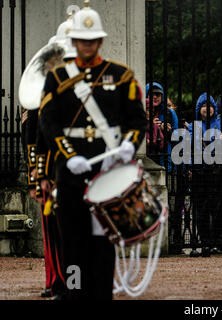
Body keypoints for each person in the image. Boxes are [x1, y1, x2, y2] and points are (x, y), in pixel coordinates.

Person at [38, 1, 146, 300]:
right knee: (72, 243)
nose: (87, 45)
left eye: (92, 40)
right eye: (82, 40)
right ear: (74, 41)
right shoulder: (57, 78)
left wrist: (128, 144)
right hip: (71, 177)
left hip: (106, 174)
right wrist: (67, 156)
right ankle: (73, 295)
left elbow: (137, 120)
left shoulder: (121, 75)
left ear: (100, 40)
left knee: (102, 243)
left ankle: (101, 295)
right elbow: (48, 124)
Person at [21, 9, 80, 299]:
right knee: (54, 232)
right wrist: (37, 178)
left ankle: (76, 282)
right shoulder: (43, 92)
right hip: (54, 173)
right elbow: (35, 138)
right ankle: (57, 280)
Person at [187, 93, 222, 257]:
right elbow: (192, 144)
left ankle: (217, 243)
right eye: (204, 106)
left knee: (217, 207)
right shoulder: (193, 126)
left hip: (216, 169)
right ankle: (205, 242)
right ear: (200, 109)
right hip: (200, 170)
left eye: (210, 106)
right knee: (201, 209)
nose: (208, 109)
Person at [145, 82, 179, 171]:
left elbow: (178, 137)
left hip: (166, 159)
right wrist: (150, 124)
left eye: (158, 94)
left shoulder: (170, 113)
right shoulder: (140, 111)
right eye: (152, 94)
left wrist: (168, 130)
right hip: (146, 159)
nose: (155, 97)